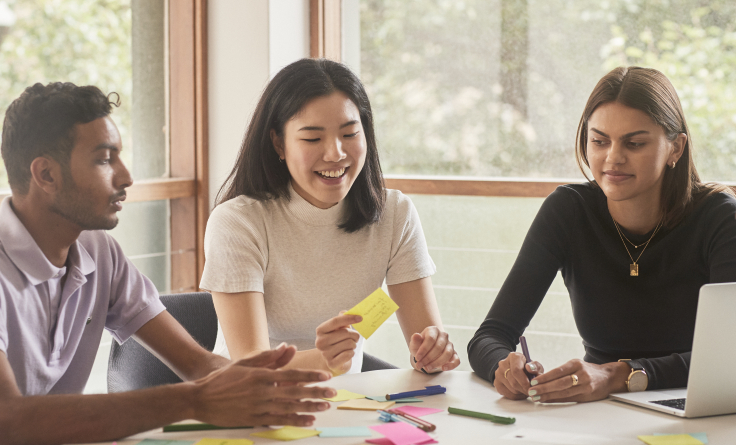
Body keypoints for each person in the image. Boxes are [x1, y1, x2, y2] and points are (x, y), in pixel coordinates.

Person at [0, 83, 337, 445]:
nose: (126, 176)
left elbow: (198, 366)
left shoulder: (100, 252)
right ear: (46, 175)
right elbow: (8, 420)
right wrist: (194, 400)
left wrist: (253, 386)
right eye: (103, 159)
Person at [468, 66, 736, 403]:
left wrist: (618, 374)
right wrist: (506, 368)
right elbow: (489, 337)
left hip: (698, 409)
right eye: (599, 141)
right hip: (601, 411)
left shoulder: (721, 218)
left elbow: (731, 358)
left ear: (676, 149)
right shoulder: (569, 210)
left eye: (634, 143)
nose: (613, 158)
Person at [199, 58, 460, 376]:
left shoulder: (394, 214)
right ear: (278, 143)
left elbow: (425, 346)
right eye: (312, 139)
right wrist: (322, 361)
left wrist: (432, 353)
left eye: (350, 134)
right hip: (254, 407)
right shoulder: (237, 223)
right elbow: (250, 364)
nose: (335, 153)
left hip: (348, 406)